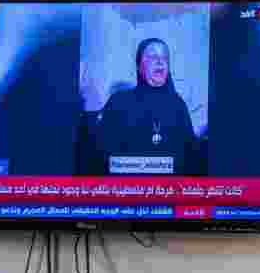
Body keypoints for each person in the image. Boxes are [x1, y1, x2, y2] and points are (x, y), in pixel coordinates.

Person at [75, 38, 201, 176]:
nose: (160, 61)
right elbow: (98, 155)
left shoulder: (178, 104)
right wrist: (89, 103)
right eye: (152, 56)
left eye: (165, 57)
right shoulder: (119, 102)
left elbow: (192, 157)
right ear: (138, 66)